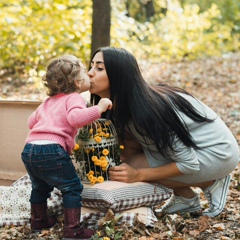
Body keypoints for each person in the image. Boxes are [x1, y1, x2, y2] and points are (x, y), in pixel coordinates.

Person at [87, 46, 239, 218]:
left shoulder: (145, 112)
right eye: (91, 66)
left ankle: (210, 182)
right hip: (194, 149)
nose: (90, 73)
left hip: (218, 152)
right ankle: (185, 197)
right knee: (123, 153)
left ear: (119, 76)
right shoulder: (119, 106)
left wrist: (139, 175)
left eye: (99, 68)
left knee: (131, 167)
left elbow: (188, 163)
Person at [21, 55, 112, 240]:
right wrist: (99, 108)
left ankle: (38, 221)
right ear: (78, 83)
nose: (89, 74)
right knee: (72, 187)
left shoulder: (48, 102)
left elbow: (32, 122)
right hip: (52, 149)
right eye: (85, 74)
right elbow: (75, 119)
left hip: (29, 149)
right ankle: (73, 230)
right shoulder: (74, 98)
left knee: (39, 187)